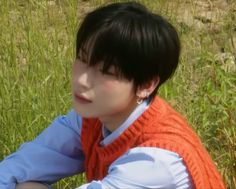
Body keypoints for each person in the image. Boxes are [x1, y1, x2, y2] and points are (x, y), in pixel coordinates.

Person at [0, 1, 225, 189]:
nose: (82, 80)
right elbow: (22, 164)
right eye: (83, 59)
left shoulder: (158, 160)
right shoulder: (93, 117)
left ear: (146, 85)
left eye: (107, 72)